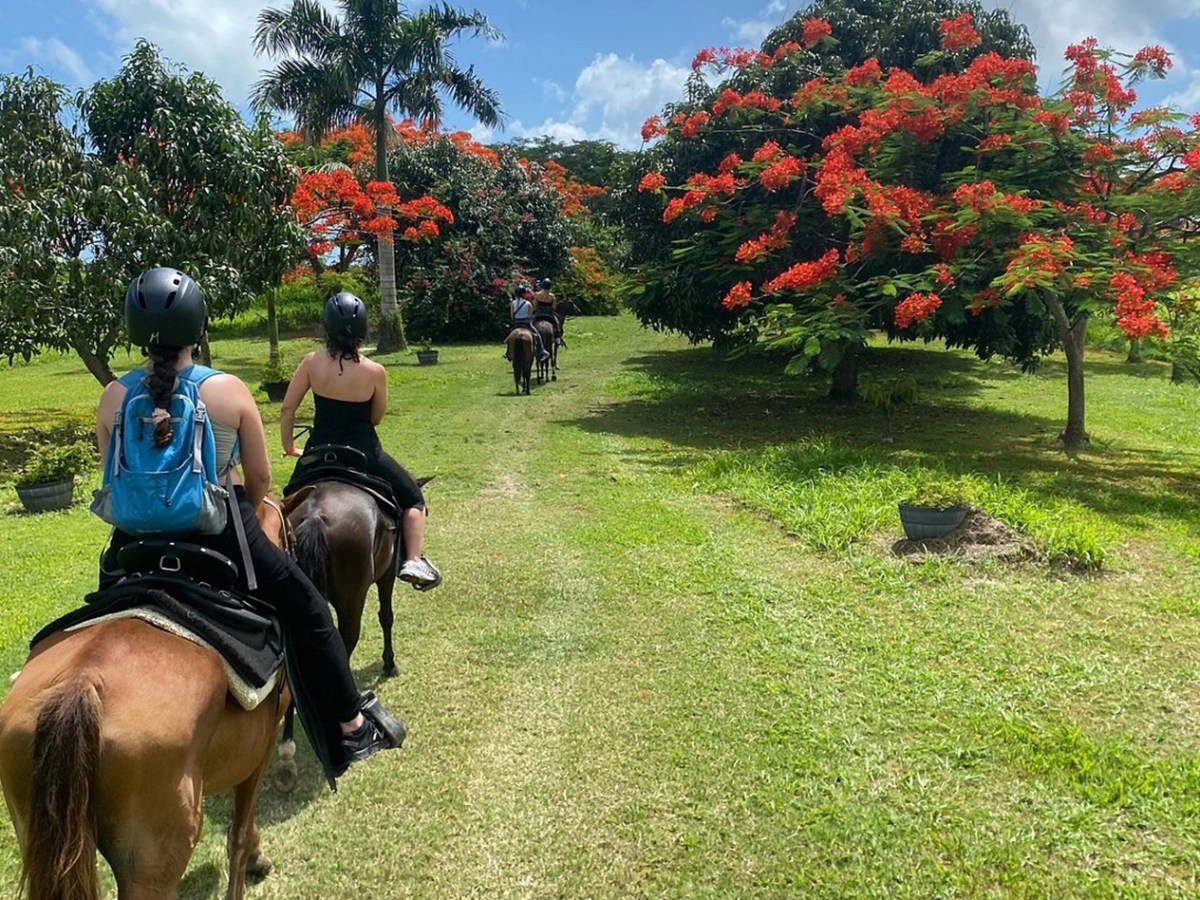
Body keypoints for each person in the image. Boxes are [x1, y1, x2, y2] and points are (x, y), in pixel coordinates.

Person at [96, 267, 404, 775]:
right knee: (308, 606)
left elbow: (114, 473)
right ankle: (351, 725)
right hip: (219, 533)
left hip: (131, 543)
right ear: (198, 329)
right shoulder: (227, 390)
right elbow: (259, 480)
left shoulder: (112, 396)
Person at [280, 291, 441, 590]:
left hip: (317, 451)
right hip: (365, 452)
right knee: (414, 499)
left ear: (326, 326)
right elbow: (376, 418)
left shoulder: (311, 363)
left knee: (286, 503)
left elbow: (288, 407)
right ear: (363, 328)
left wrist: (290, 446)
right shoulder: (375, 372)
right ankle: (414, 560)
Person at [508, 284, 549, 361]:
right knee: (538, 336)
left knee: (509, 337)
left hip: (516, 323)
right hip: (526, 323)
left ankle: (508, 353)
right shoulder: (528, 303)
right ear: (523, 294)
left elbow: (512, 316)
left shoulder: (512, 303)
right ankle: (542, 351)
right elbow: (530, 316)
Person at [531, 277, 563, 345]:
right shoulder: (552, 296)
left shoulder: (537, 294)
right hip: (549, 315)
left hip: (539, 315)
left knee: (531, 324)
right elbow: (554, 307)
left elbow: (535, 306)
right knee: (556, 324)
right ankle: (558, 338)